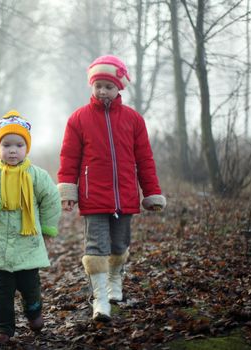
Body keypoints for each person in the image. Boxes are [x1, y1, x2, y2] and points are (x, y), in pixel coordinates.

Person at [57, 55, 166, 322]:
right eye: (98, 86)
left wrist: (151, 192)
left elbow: (145, 160)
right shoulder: (78, 119)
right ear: (91, 87)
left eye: (108, 85)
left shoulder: (133, 120)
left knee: (119, 245)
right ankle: (100, 300)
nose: (103, 90)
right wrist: (68, 192)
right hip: (93, 195)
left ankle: (115, 280)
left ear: (119, 87)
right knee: (95, 248)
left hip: (125, 195)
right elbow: (69, 157)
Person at [0, 110, 61, 347]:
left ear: (26, 148)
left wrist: (48, 228)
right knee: (2, 289)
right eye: (7, 145)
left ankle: (34, 313)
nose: (12, 150)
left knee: (30, 286)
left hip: (27, 243)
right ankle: (2, 328)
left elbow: (51, 198)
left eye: (19, 145)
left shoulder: (36, 175)